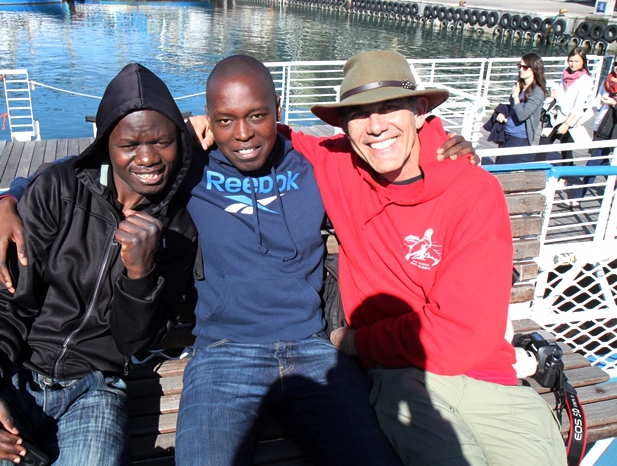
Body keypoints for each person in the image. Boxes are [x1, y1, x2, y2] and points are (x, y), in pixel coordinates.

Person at [0, 56, 476, 464]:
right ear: (208, 119)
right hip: (224, 354)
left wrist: (442, 147)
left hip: (313, 350)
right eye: (225, 120)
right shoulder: (187, 164)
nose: (242, 133)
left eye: (257, 116)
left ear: (277, 111)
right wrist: (9, 198)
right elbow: (105, 159)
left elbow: (387, 152)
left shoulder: (318, 162)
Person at [226, 50, 566, 465]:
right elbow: (254, 130)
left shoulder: (473, 191)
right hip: (403, 377)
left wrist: (354, 342)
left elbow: (464, 336)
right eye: (358, 113)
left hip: (489, 379)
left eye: (389, 107)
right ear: (343, 126)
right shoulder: (338, 163)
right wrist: (202, 124)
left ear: (420, 110)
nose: (375, 126)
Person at [0, 63, 198, 465]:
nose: (148, 157)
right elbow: (9, 303)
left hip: (97, 388)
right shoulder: (59, 190)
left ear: (179, 142)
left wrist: (140, 274)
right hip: (15, 372)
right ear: (106, 145)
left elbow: (133, 343)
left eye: (162, 143)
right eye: (130, 144)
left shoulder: (178, 228)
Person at [569, 47, 617, 207]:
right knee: (601, 161)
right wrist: (580, 121)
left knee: (593, 162)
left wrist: (615, 104)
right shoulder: (606, 82)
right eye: (616, 63)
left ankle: (578, 195)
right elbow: (595, 105)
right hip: (600, 126)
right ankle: (616, 185)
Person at [535, 47, 595, 164]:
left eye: (576, 61)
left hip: (569, 119)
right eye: (571, 60)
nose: (573, 64)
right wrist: (553, 94)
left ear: (583, 61)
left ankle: (565, 177)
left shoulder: (585, 80)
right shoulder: (565, 74)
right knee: (542, 147)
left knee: (566, 152)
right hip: (555, 116)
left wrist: (567, 124)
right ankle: (535, 175)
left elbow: (578, 104)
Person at [487, 52, 547, 164]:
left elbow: (522, 115)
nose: (521, 70)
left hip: (520, 137)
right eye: (520, 66)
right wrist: (503, 113)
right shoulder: (520, 85)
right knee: (498, 165)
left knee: (501, 168)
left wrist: (515, 95)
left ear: (534, 68)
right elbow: (513, 107)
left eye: (525, 67)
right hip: (507, 132)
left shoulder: (538, 92)